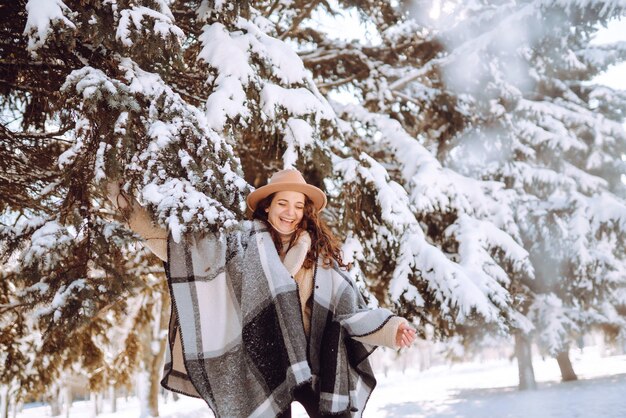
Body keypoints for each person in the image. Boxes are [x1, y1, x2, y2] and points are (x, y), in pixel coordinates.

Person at [107, 168, 416, 418]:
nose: (290, 213)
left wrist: (391, 328)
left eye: (298, 206)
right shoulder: (241, 245)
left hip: (312, 363)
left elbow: (351, 312)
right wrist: (129, 208)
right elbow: (182, 249)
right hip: (264, 362)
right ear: (268, 205)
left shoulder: (319, 258)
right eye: (283, 203)